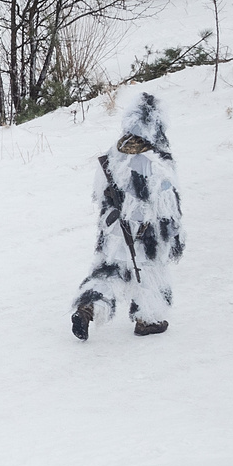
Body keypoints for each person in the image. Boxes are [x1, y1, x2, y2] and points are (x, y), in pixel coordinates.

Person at [71, 93, 184, 341]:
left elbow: (100, 193)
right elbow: (166, 206)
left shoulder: (114, 152)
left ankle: (89, 307)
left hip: (112, 229)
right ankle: (148, 318)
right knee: (149, 272)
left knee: (108, 272)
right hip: (145, 233)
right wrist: (173, 237)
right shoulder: (156, 162)